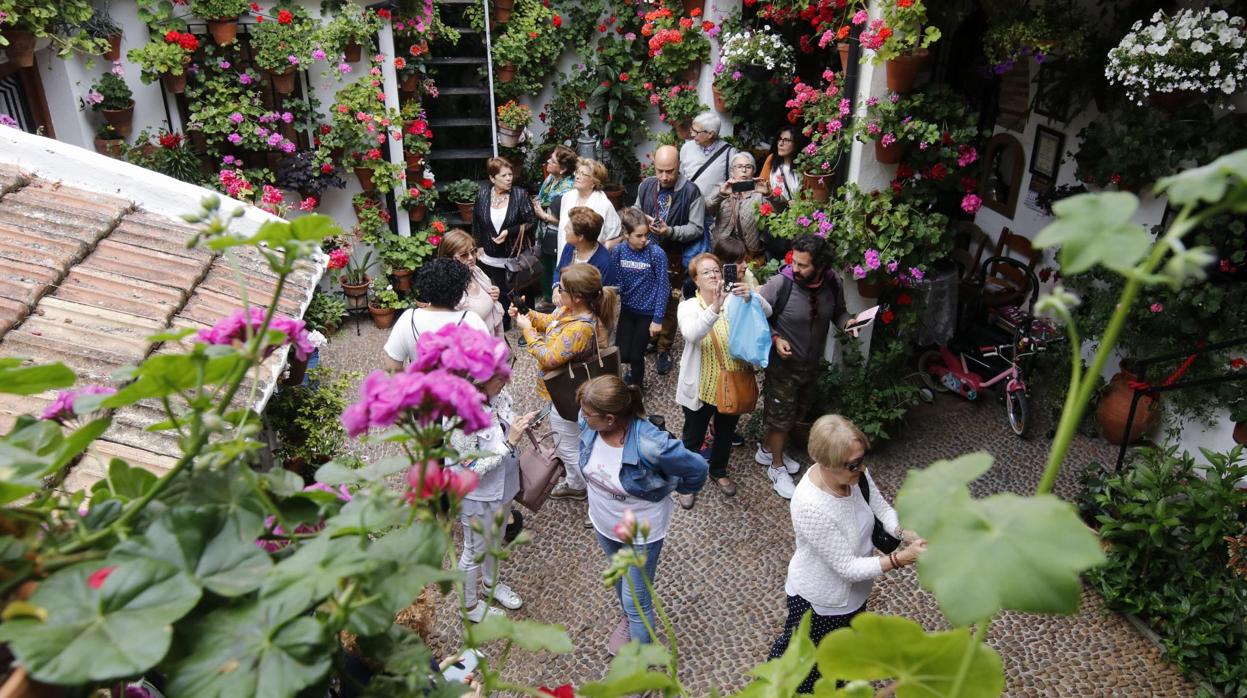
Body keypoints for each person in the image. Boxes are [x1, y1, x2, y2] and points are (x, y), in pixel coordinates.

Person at [767, 414, 926, 692]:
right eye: (853, 465)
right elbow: (847, 568)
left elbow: (882, 509)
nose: (862, 468)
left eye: (862, 459)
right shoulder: (810, 506)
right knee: (809, 673)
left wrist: (905, 532)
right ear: (827, 463)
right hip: (821, 603)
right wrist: (902, 558)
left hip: (852, 599)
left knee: (842, 664)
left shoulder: (856, 474)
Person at [576, 374, 707, 655]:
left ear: (610, 418)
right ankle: (628, 619)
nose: (582, 418)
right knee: (622, 580)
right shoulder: (589, 422)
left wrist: (675, 487)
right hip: (604, 524)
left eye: (588, 415)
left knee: (638, 602)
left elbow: (697, 468)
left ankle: (642, 670)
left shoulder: (651, 444)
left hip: (641, 532)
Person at [447, 336, 540, 623]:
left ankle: (490, 585)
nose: (507, 381)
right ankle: (470, 607)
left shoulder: (499, 395)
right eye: (501, 376)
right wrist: (508, 443)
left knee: (497, 539)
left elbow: (503, 426)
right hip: (478, 497)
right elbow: (463, 470)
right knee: (474, 549)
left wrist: (520, 424)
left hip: (505, 486)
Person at [511, 263, 617, 500]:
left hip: (568, 394)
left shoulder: (580, 328)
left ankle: (594, 494)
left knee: (569, 448)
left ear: (577, 296)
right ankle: (577, 483)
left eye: (562, 288)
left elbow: (549, 357)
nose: (557, 290)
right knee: (576, 440)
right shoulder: (570, 311)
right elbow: (550, 322)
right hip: (563, 391)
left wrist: (527, 332)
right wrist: (526, 313)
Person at [756, 234, 850, 498]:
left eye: (802, 265)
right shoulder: (779, 284)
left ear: (820, 265)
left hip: (811, 365)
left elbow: (839, 312)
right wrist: (775, 338)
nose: (794, 269)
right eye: (793, 262)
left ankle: (767, 450)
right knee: (780, 420)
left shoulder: (833, 283)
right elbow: (756, 317)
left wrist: (849, 325)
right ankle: (776, 467)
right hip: (782, 367)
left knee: (797, 414)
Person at [675, 253, 758, 507]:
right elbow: (692, 333)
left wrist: (751, 297)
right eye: (706, 272)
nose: (713, 275)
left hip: (732, 381)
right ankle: (687, 481)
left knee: (725, 432)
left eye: (716, 271)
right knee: (692, 437)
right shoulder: (688, 307)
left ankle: (719, 471)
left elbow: (765, 312)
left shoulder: (735, 301)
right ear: (696, 281)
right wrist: (714, 308)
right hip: (701, 387)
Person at [633, 144, 704, 376]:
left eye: (670, 171)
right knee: (645, 298)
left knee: (670, 303)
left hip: (673, 257)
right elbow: (635, 210)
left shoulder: (692, 191)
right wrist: (639, 221)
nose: (664, 176)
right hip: (645, 253)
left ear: (679, 167)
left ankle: (664, 348)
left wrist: (670, 231)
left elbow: (696, 228)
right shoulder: (645, 186)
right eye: (660, 170)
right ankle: (649, 340)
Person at [384, 258, 488, 371]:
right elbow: (490, 367)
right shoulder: (471, 320)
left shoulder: (409, 318)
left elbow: (392, 367)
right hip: (460, 387)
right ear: (460, 290)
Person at [609, 208, 669, 388]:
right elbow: (618, 281)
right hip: (628, 309)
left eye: (646, 235)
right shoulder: (619, 251)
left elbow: (663, 287)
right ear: (626, 234)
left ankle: (637, 389)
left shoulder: (656, 253)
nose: (644, 240)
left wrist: (658, 319)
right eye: (639, 235)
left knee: (636, 356)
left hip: (647, 312)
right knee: (623, 353)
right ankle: (632, 374)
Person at [471, 157, 535, 322]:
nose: (509, 179)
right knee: (500, 289)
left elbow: (531, 222)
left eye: (510, 174)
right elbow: (476, 222)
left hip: (515, 254)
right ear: (492, 178)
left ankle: (529, 322)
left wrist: (509, 231)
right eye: (504, 176)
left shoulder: (520, 195)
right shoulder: (483, 194)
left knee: (522, 291)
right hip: (491, 254)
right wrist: (478, 245)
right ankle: (504, 321)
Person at [532, 145, 578, 309]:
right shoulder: (551, 179)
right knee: (545, 265)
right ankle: (547, 298)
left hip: (558, 233)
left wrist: (543, 215)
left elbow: (567, 218)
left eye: (552, 160)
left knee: (555, 267)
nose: (548, 162)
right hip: (544, 231)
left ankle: (557, 301)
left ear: (563, 168)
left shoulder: (569, 189)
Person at [438, 229, 504, 338]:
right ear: (448, 258)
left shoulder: (475, 271)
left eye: (473, 251)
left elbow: (487, 290)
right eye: (464, 255)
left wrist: (495, 293)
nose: (471, 258)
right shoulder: (448, 290)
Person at [705, 152, 766, 262]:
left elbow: (779, 210)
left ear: (754, 171)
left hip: (748, 252)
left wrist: (770, 195)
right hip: (722, 249)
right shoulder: (722, 188)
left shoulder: (760, 193)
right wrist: (721, 194)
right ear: (732, 171)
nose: (744, 170)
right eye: (739, 167)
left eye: (748, 167)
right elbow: (706, 209)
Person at [679, 112, 738, 223]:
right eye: (692, 129)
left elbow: (735, 184)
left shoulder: (729, 152)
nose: (691, 134)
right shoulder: (686, 148)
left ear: (710, 134)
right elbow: (680, 176)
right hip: (688, 211)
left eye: (696, 132)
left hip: (714, 215)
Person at [557, 158, 621, 255]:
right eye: (577, 172)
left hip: (591, 259)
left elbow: (616, 235)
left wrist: (606, 246)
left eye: (583, 174)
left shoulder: (603, 204)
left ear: (594, 182)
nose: (577, 176)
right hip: (565, 255)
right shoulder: (567, 197)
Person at [553, 207, 613, 292]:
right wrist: (556, 288)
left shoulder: (604, 262)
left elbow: (604, 295)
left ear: (580, 237)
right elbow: (559, 270)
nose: (565, 229)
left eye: (569, 228)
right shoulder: (570, 247)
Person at [759, 126, 805, 204]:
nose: (780, 144)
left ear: (796, 144)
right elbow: (761, 185)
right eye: (780, 139)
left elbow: (810, 198)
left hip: (796, 212)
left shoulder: (804, 166)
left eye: (786, 140)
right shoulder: (771, 159)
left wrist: (799, 203)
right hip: (773, 212)